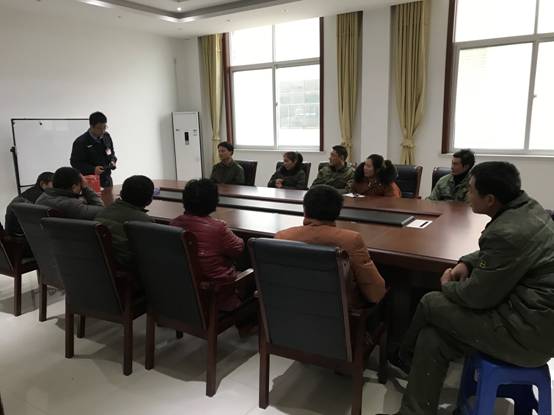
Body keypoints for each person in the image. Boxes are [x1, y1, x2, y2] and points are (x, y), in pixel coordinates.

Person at [380, 162, 554, 415]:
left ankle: (402, 355)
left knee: (430, 302)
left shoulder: (508, 232)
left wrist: (447, 285)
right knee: (432, 337)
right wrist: (467, 262)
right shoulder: (529, 209)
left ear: (490, 199)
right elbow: (499, 255)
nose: (467, 194)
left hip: (527, 333)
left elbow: (477, 297)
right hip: (535, 323)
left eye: (471, 190)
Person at [275, 185, 386, 306]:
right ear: (338, 212)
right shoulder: (350, 240)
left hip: (291, 306)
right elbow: (376, 293)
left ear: (305, 211)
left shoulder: (282, 237)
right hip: (340, 310)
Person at [170, 179, 247, 311]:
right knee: (250, 272)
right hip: (214, 294)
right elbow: (238, 248)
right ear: (214, 202)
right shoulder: (218, 228)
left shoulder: (174, 224)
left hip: (185, 291)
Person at [95, 175, 154, 268]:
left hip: (102, 264)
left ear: (121, 193)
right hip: (126, 266)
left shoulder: (103, 212)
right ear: (149, 200)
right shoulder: (145, 221)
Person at [70, 111, 117, 191]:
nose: (102, 131)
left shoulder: (106, 136)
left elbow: (111, 152)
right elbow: (75, 163)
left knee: (109, 198)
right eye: (99, 128)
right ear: (91, 126)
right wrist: (93, 169)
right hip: (90, 181)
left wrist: (113, 160)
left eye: (104, 127)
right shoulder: (81, 142)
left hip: (107, 179)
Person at [35, 166, 104, 219]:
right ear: (74, 187)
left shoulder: (42, 198)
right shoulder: (73, 205)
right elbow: (102, 210)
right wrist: (85, 188)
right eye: (80, 184)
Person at [4, 171, 54, 236]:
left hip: (11, 234)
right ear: (42, 184)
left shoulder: (28, 193)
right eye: (54, 184)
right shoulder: (42, 198)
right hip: (25, 236)